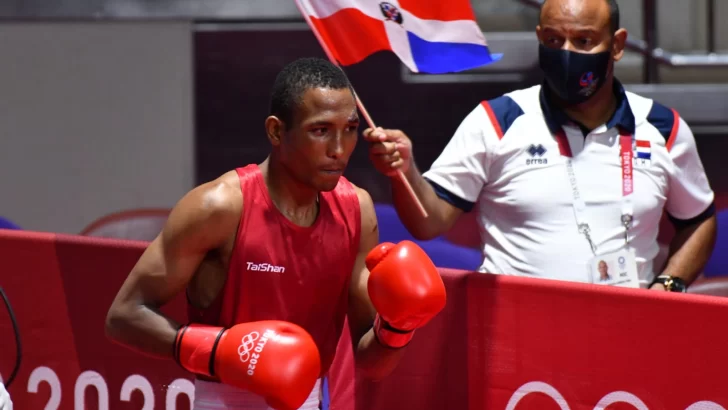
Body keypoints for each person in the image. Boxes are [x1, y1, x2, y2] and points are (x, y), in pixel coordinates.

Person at [106, 57, 446, 410]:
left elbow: (371, 363)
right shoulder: (219, 206)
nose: (339, 148)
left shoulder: (356, 210)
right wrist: (221, 351)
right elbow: (124, 315)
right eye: (321, 130)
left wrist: (398, 327)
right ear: (276, 131)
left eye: (349, 129)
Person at [366, 0, 716, 292]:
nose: (566, 54)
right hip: (516, 334)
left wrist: (668, 285)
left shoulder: (662, 127)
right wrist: (404, 172)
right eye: (553, 40)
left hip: (623, 329)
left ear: (618, 45)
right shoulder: (499, 119)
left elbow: (699, 220)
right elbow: (430, 222)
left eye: (583, 41)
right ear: (539, 38)